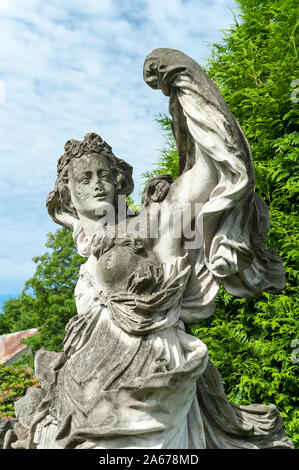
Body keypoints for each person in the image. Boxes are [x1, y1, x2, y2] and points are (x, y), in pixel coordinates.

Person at [5, 49, 293, 450]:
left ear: (120, 181)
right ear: (68, 194)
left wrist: (184, 77)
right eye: (84, 178)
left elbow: (211, 167)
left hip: (146, 377)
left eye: (105, 174)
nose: (98, 183)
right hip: (85, 380)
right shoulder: (86, 247)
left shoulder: (151, 221)